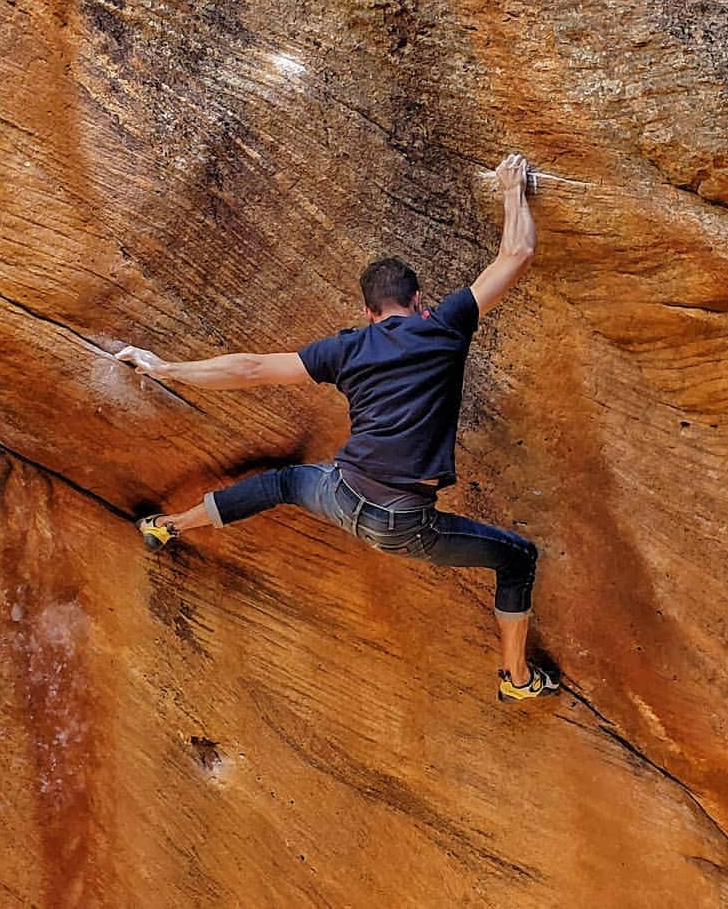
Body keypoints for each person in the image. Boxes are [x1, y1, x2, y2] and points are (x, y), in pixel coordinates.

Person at [115, 153, 558, 703]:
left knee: (279, 484)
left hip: (338, 490)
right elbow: (518, 252)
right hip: (400, 521)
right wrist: (514, 189)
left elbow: (252, 368)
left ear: (370, 311)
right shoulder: (444, 326)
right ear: (418, 303)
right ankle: (516, 680)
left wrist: (165, 368)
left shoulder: (347, 347)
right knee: (517, 558)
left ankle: (171, 525)